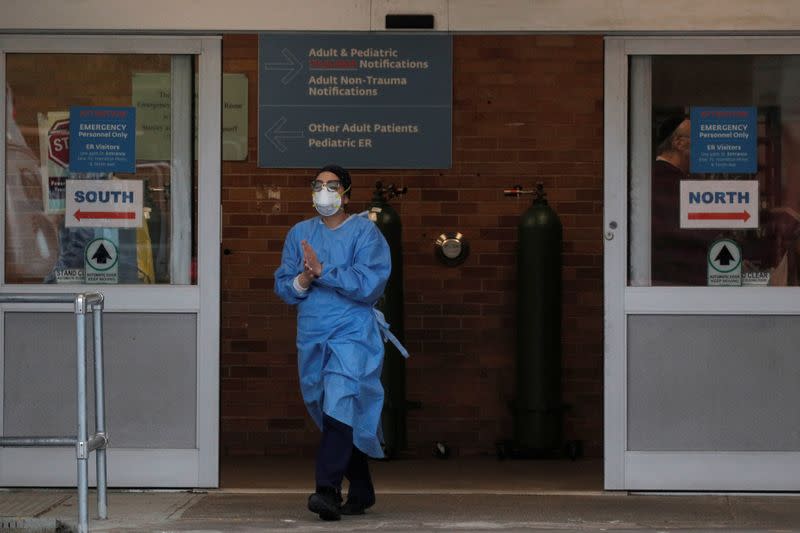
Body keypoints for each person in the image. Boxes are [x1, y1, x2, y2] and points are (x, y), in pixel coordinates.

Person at [274, 164, 405, 521]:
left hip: (352, 334)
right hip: (313, 334)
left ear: (346, 193)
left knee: (340, 400)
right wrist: (302, 278)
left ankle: (326, 490)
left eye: (332, 185)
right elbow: (285, 288)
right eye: (317, 185)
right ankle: (361, 487)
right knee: (328, 408)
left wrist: (324, 272)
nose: (324, 191)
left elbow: (369, 284)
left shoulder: (365, 233)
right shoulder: (300, 233)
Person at [651, 115, 716, 285]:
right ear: (679, 143)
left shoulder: (644, 179)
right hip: (684, 282)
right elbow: (701, 237)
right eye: (699, 142)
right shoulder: (679, 185)